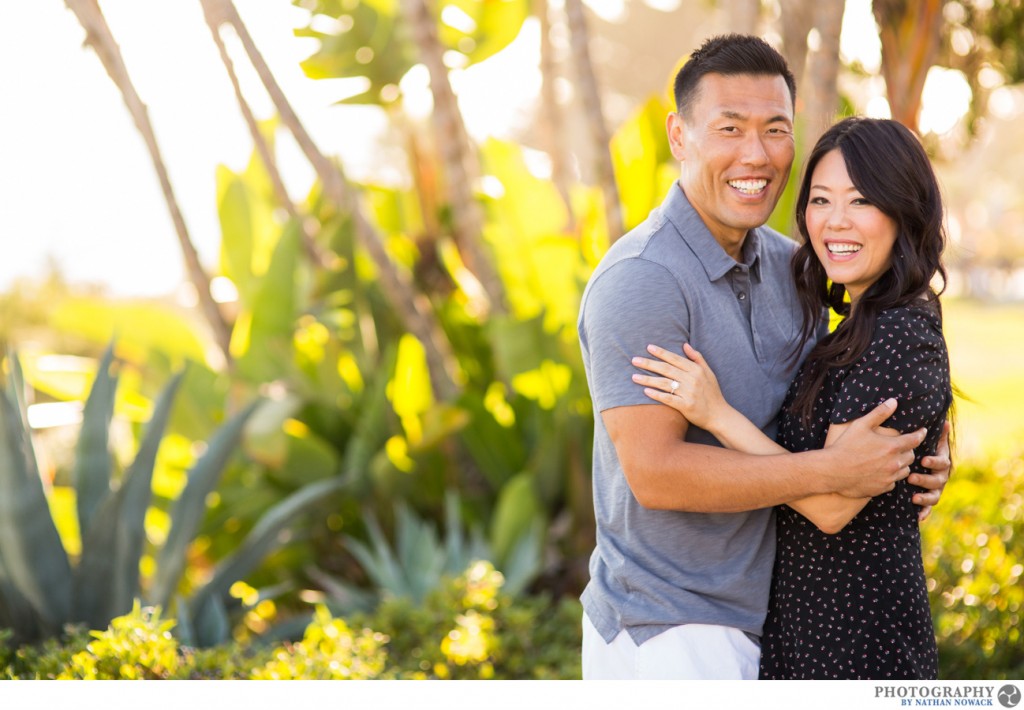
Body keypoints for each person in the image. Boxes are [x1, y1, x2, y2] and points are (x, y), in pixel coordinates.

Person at [576, 34, 951, 680]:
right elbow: (655, 472)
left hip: (776, 627)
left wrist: (930, 442)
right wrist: (830, 470)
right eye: (730, 128)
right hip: (672, 628)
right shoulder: (642, 280)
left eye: (775, 129)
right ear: (679, 136)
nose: (756, 154)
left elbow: (879, 355)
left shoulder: (793, 266)